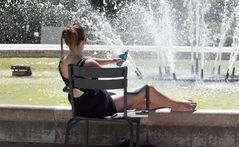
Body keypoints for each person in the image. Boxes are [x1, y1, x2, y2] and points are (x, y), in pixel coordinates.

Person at [58, 23, 197, 117]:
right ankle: (177, 104)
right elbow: (91, 64)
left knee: (142, 103)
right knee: (148, 89)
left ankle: (171, 104)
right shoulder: (89, 64)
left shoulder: (63, 63)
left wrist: (113, 61)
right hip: (100, 108)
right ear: (83, 42)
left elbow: (86, 62)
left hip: (81, 108)